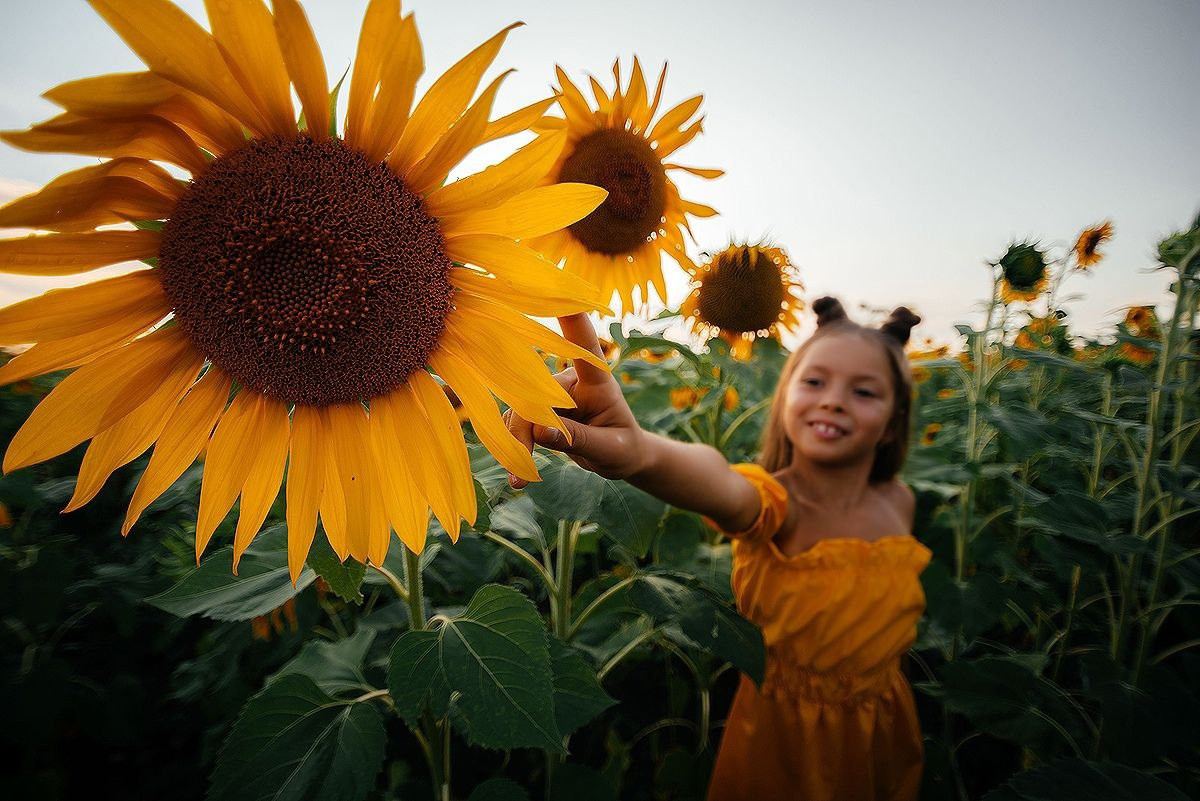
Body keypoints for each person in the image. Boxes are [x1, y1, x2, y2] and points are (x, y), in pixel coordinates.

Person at [503, 296, 932, 801]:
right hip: (790, 742)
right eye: (815, 382)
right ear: (786, 397)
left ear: (894, 420)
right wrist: (641, 453)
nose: (834, 400)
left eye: (863, 391)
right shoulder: (777, 503)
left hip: (884, 722)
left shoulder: (899, 502)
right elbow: (719, 481)